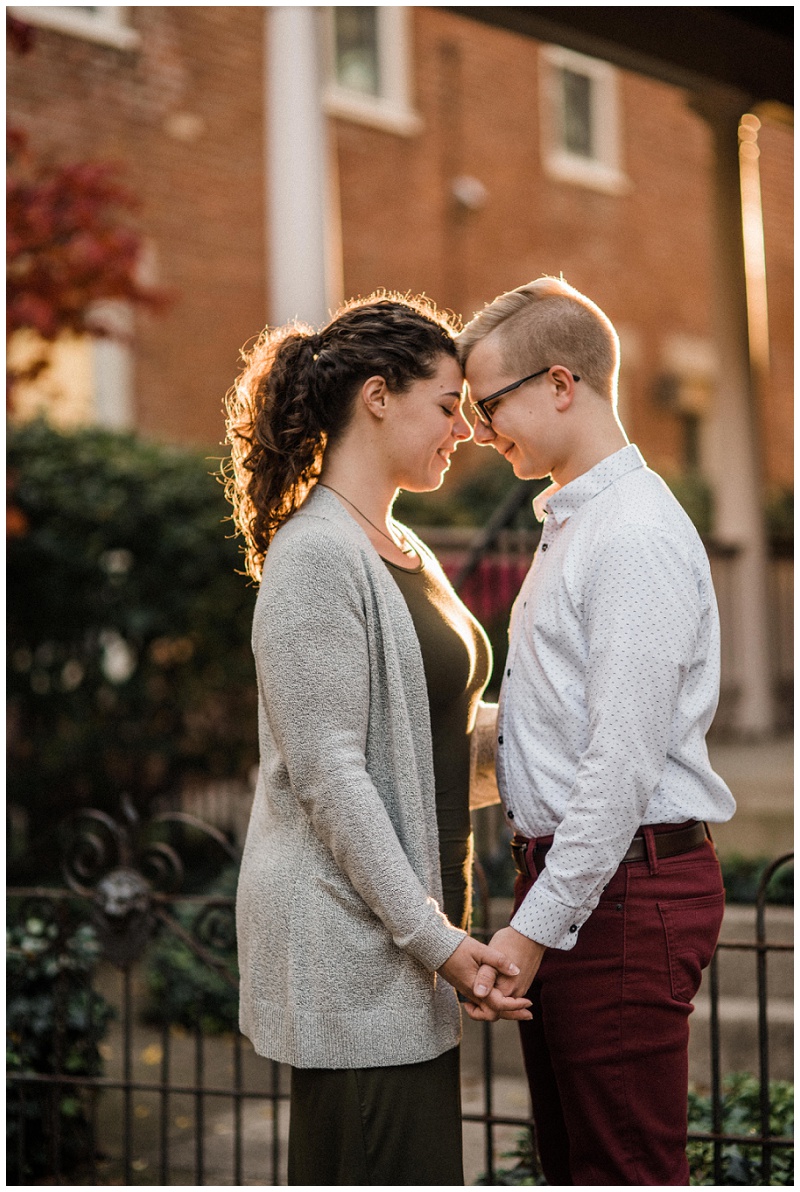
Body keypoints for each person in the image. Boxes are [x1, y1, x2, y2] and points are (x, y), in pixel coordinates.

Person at [225, 293, 531, 1186]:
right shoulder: (316, 553)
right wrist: (436, 941)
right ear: (376, 396)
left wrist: (571, 731)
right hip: (351, 940)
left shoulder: (400, 545)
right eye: (447, 406)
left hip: (410, 934)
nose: (464, 431)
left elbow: (430, 738)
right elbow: (330, 775)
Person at [456, 277, 736, 1186]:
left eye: (489, 403)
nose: (479, 428)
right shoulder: (576, 521)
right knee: (578, 1166)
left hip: (626, 891)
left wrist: (529, 935)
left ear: (561, 383)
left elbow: (619, 766)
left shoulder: (631, 536)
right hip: (590, 886)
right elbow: (561, 729)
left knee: (624, 1171)